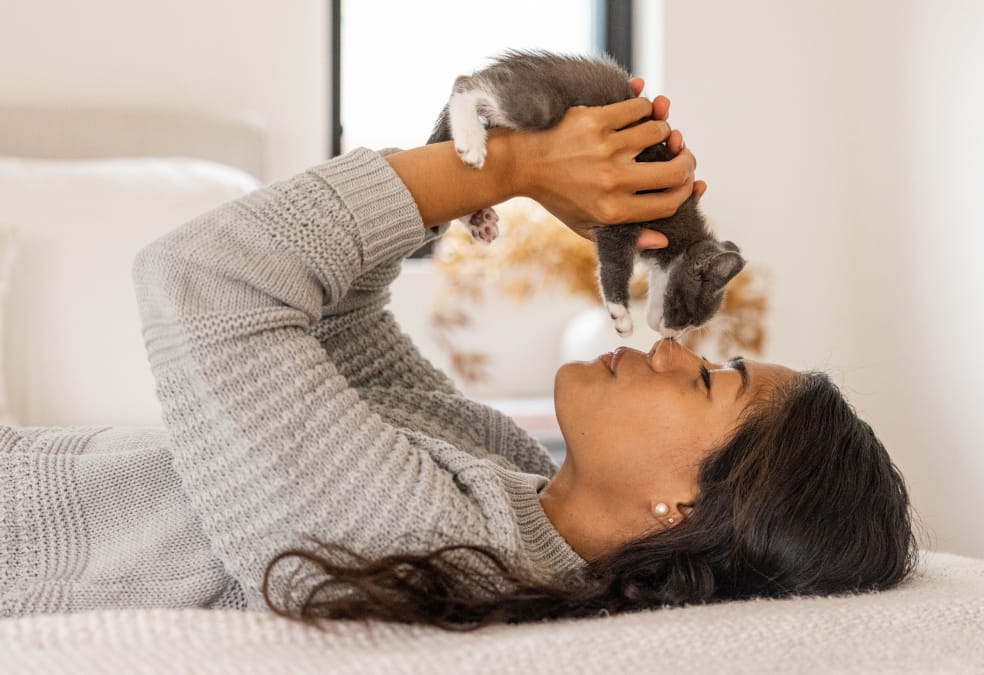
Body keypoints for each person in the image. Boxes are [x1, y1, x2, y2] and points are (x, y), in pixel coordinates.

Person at [0, 84, 916, 627]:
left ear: (679, 506)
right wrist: (480, 155)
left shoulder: (438, 547)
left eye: (710, 380)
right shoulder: (512, 482)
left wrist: (507, 167)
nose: (674, 350)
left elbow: (200, 278)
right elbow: (342, 335)